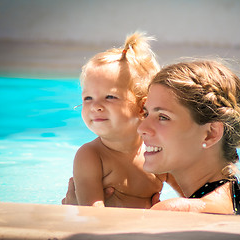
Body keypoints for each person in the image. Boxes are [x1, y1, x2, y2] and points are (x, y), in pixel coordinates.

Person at [138, 59, 240, 214]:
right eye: (146, 114)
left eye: (163, 117)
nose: (142, 128)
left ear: (210, 133)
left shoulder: (176, 212)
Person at [62, 32, 166, 208]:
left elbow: (194, 196)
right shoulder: (91, 156)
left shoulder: (157, 152)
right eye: (88, 98)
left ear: (143, 107)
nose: (95, 106)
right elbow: (93, 216)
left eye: (110, 96)